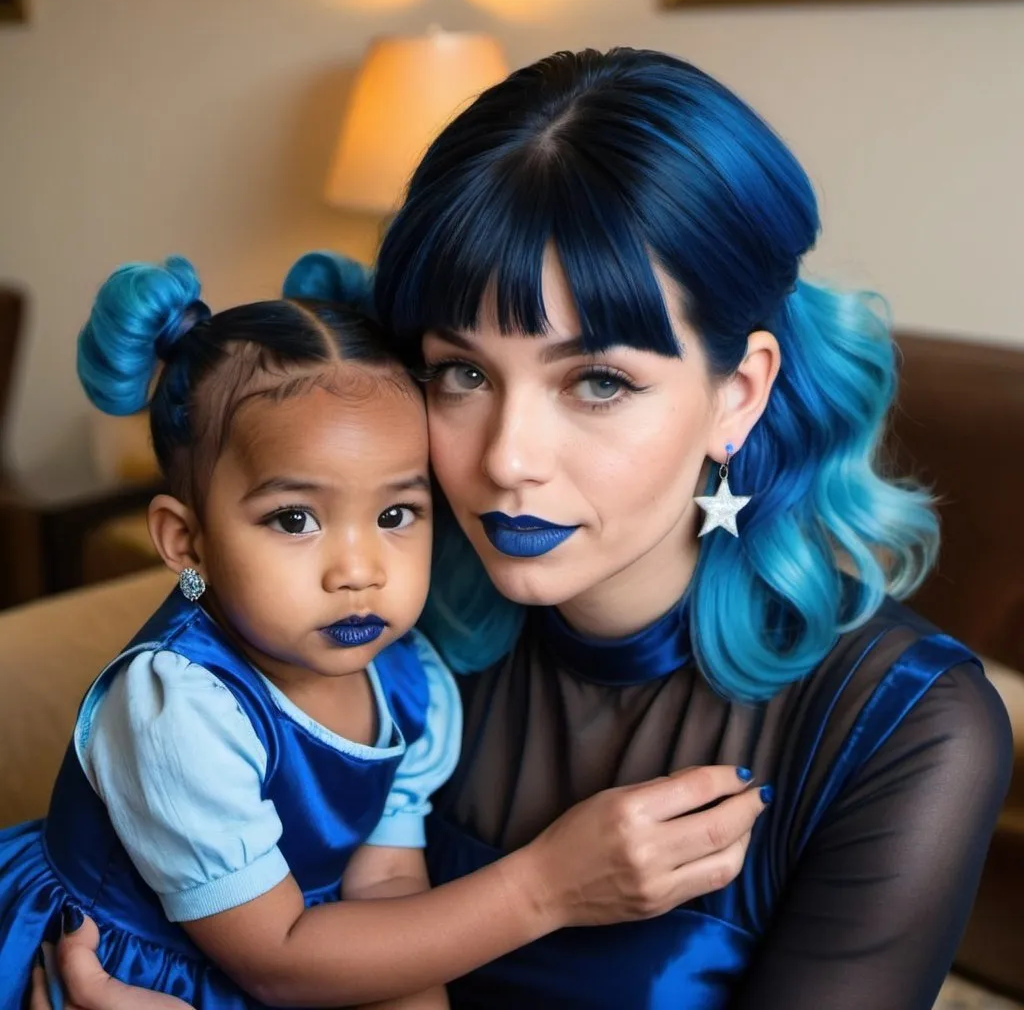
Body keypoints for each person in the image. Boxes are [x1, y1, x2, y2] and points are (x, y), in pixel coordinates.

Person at [39, 47, 1013, 1010]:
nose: (507, 458)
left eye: (598, 381)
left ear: (738, 393)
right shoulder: (367, 618)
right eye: (461, 372)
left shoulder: (908, 731)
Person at [3, 255, 766, 1010]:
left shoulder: (410, 681)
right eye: (295, 519)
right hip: (115, 972)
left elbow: (392, 903)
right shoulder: (178, 709)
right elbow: (278, 960)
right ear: (185, 541)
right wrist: (545, 886)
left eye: (396, 514)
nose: (359, 570)